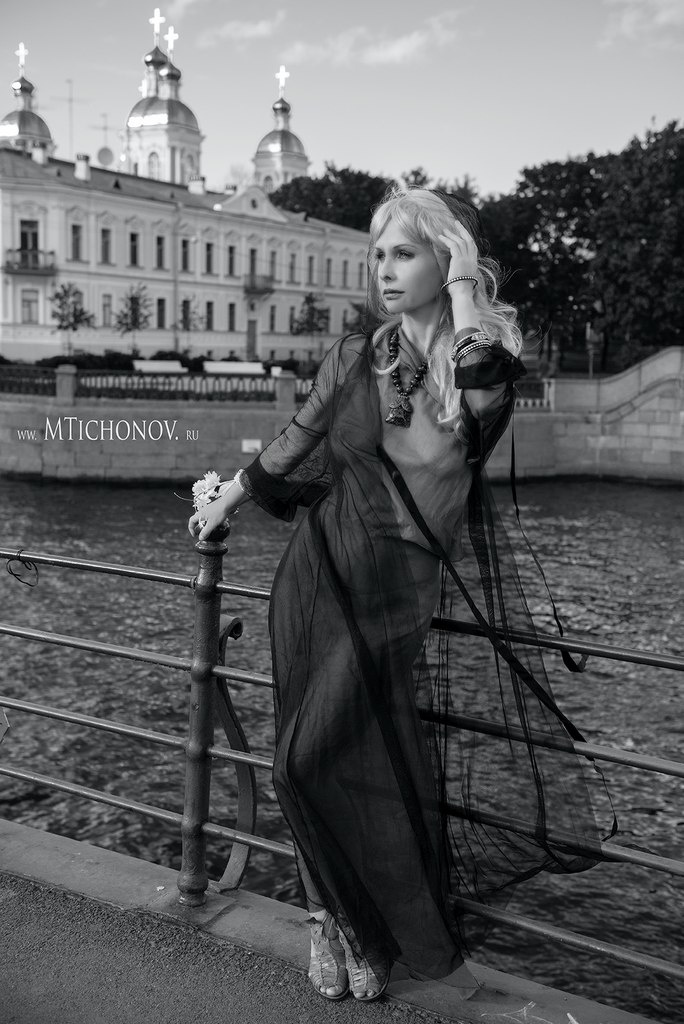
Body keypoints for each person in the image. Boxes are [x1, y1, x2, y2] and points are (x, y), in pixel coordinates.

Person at [188, 187, 606, 1004]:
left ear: (443, 260)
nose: (383, 269)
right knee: (305, 757)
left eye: (404, 253)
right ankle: (332, 920)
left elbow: (478, 399)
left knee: (331, 757)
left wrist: (463, 287)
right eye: (377, 253)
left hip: (397, 592)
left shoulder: (483, 362)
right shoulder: (358, 354)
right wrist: (226, 501)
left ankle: (359, 924)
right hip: (319, 571)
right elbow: (298, 440)